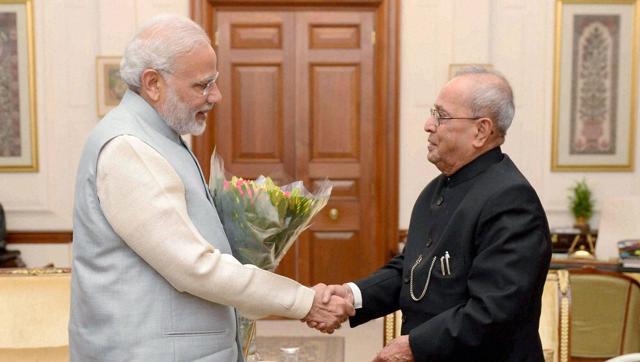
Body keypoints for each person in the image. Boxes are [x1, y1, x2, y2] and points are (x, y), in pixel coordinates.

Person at [69, 15, 352, 362]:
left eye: (213, 82)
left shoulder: (158, 135)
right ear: (153, 83)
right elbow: (193, 267)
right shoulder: (129, 147)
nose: (215, 96)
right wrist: (303, 301)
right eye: (202, 85)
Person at [315, 67, 551, 361]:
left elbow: (494, 310)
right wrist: (353, 295)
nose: (428, 125)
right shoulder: (437, 189)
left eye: (441, 116)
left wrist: (415, 346)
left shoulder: (511, 200)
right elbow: (414, 269)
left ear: (481, 130)